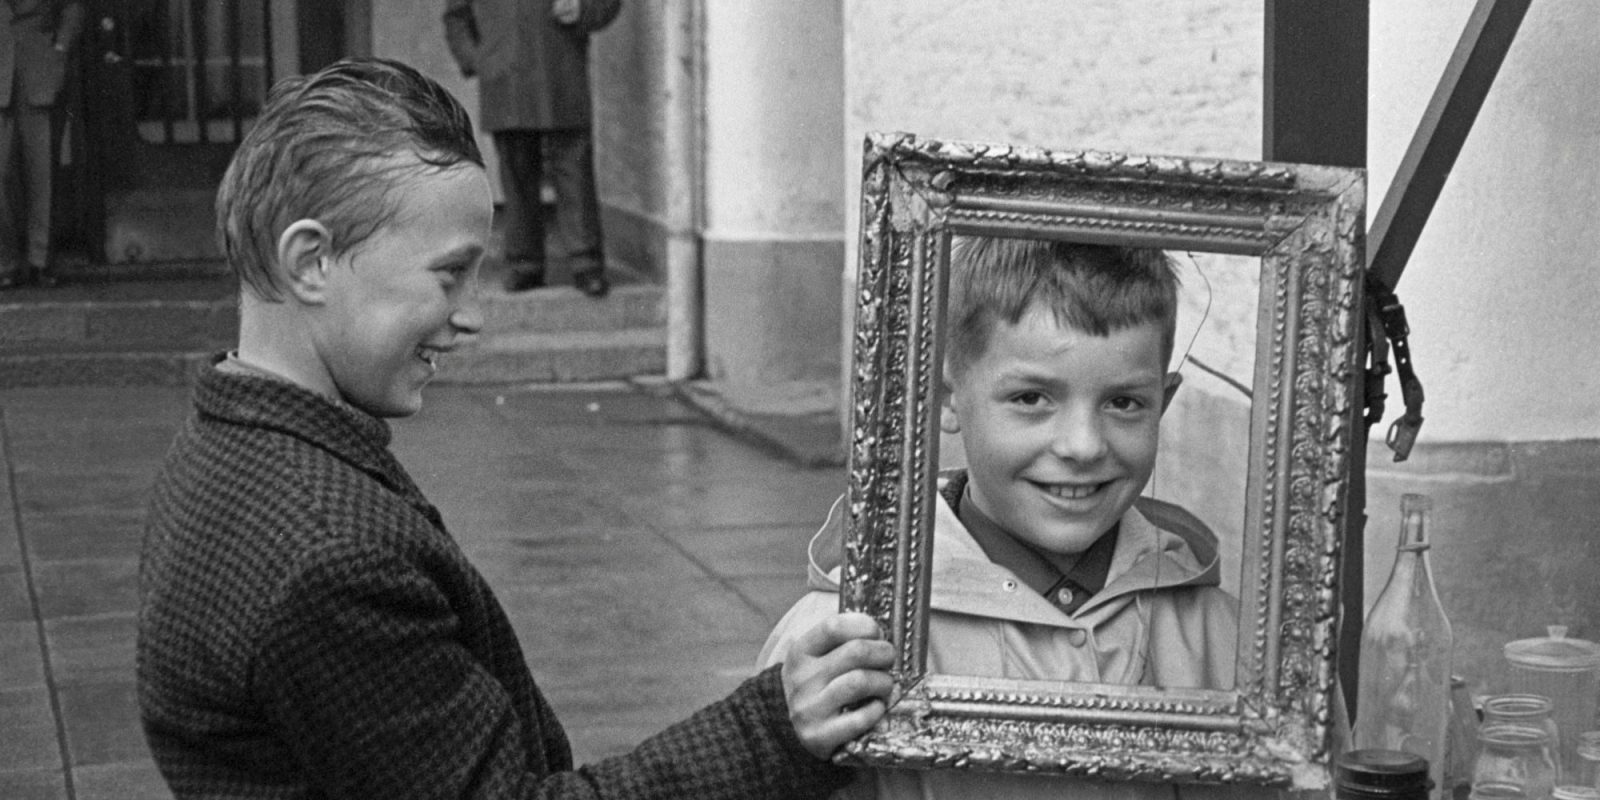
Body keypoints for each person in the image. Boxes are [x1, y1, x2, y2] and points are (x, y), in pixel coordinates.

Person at [137, 57, 894, 800]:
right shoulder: (328, 560)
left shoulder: (227, 441)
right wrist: (774, 728)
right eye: (449, 273)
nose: (472, 313)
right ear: (311, 262)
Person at [760, 237, 1245, 800]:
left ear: (1164, 401)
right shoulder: (843, 643)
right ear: (945, 398)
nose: (1083, 446)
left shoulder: (1229, 641)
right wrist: (791, 749)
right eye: (1032, 398)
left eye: (1123, 403)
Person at [443, 0, 614, 298]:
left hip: (561, 72)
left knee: (573, 168)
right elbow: (456, 16)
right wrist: (477, 59)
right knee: (517, 174)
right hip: (505, 76)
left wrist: (583, 9)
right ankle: (525, 265)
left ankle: (586, 263)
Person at [0, 0, 82, 289]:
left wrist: (60, 49)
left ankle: (40, 259)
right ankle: (5, 261)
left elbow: (72, 7)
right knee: (1, 174)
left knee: (42, 168)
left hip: (39, 67)